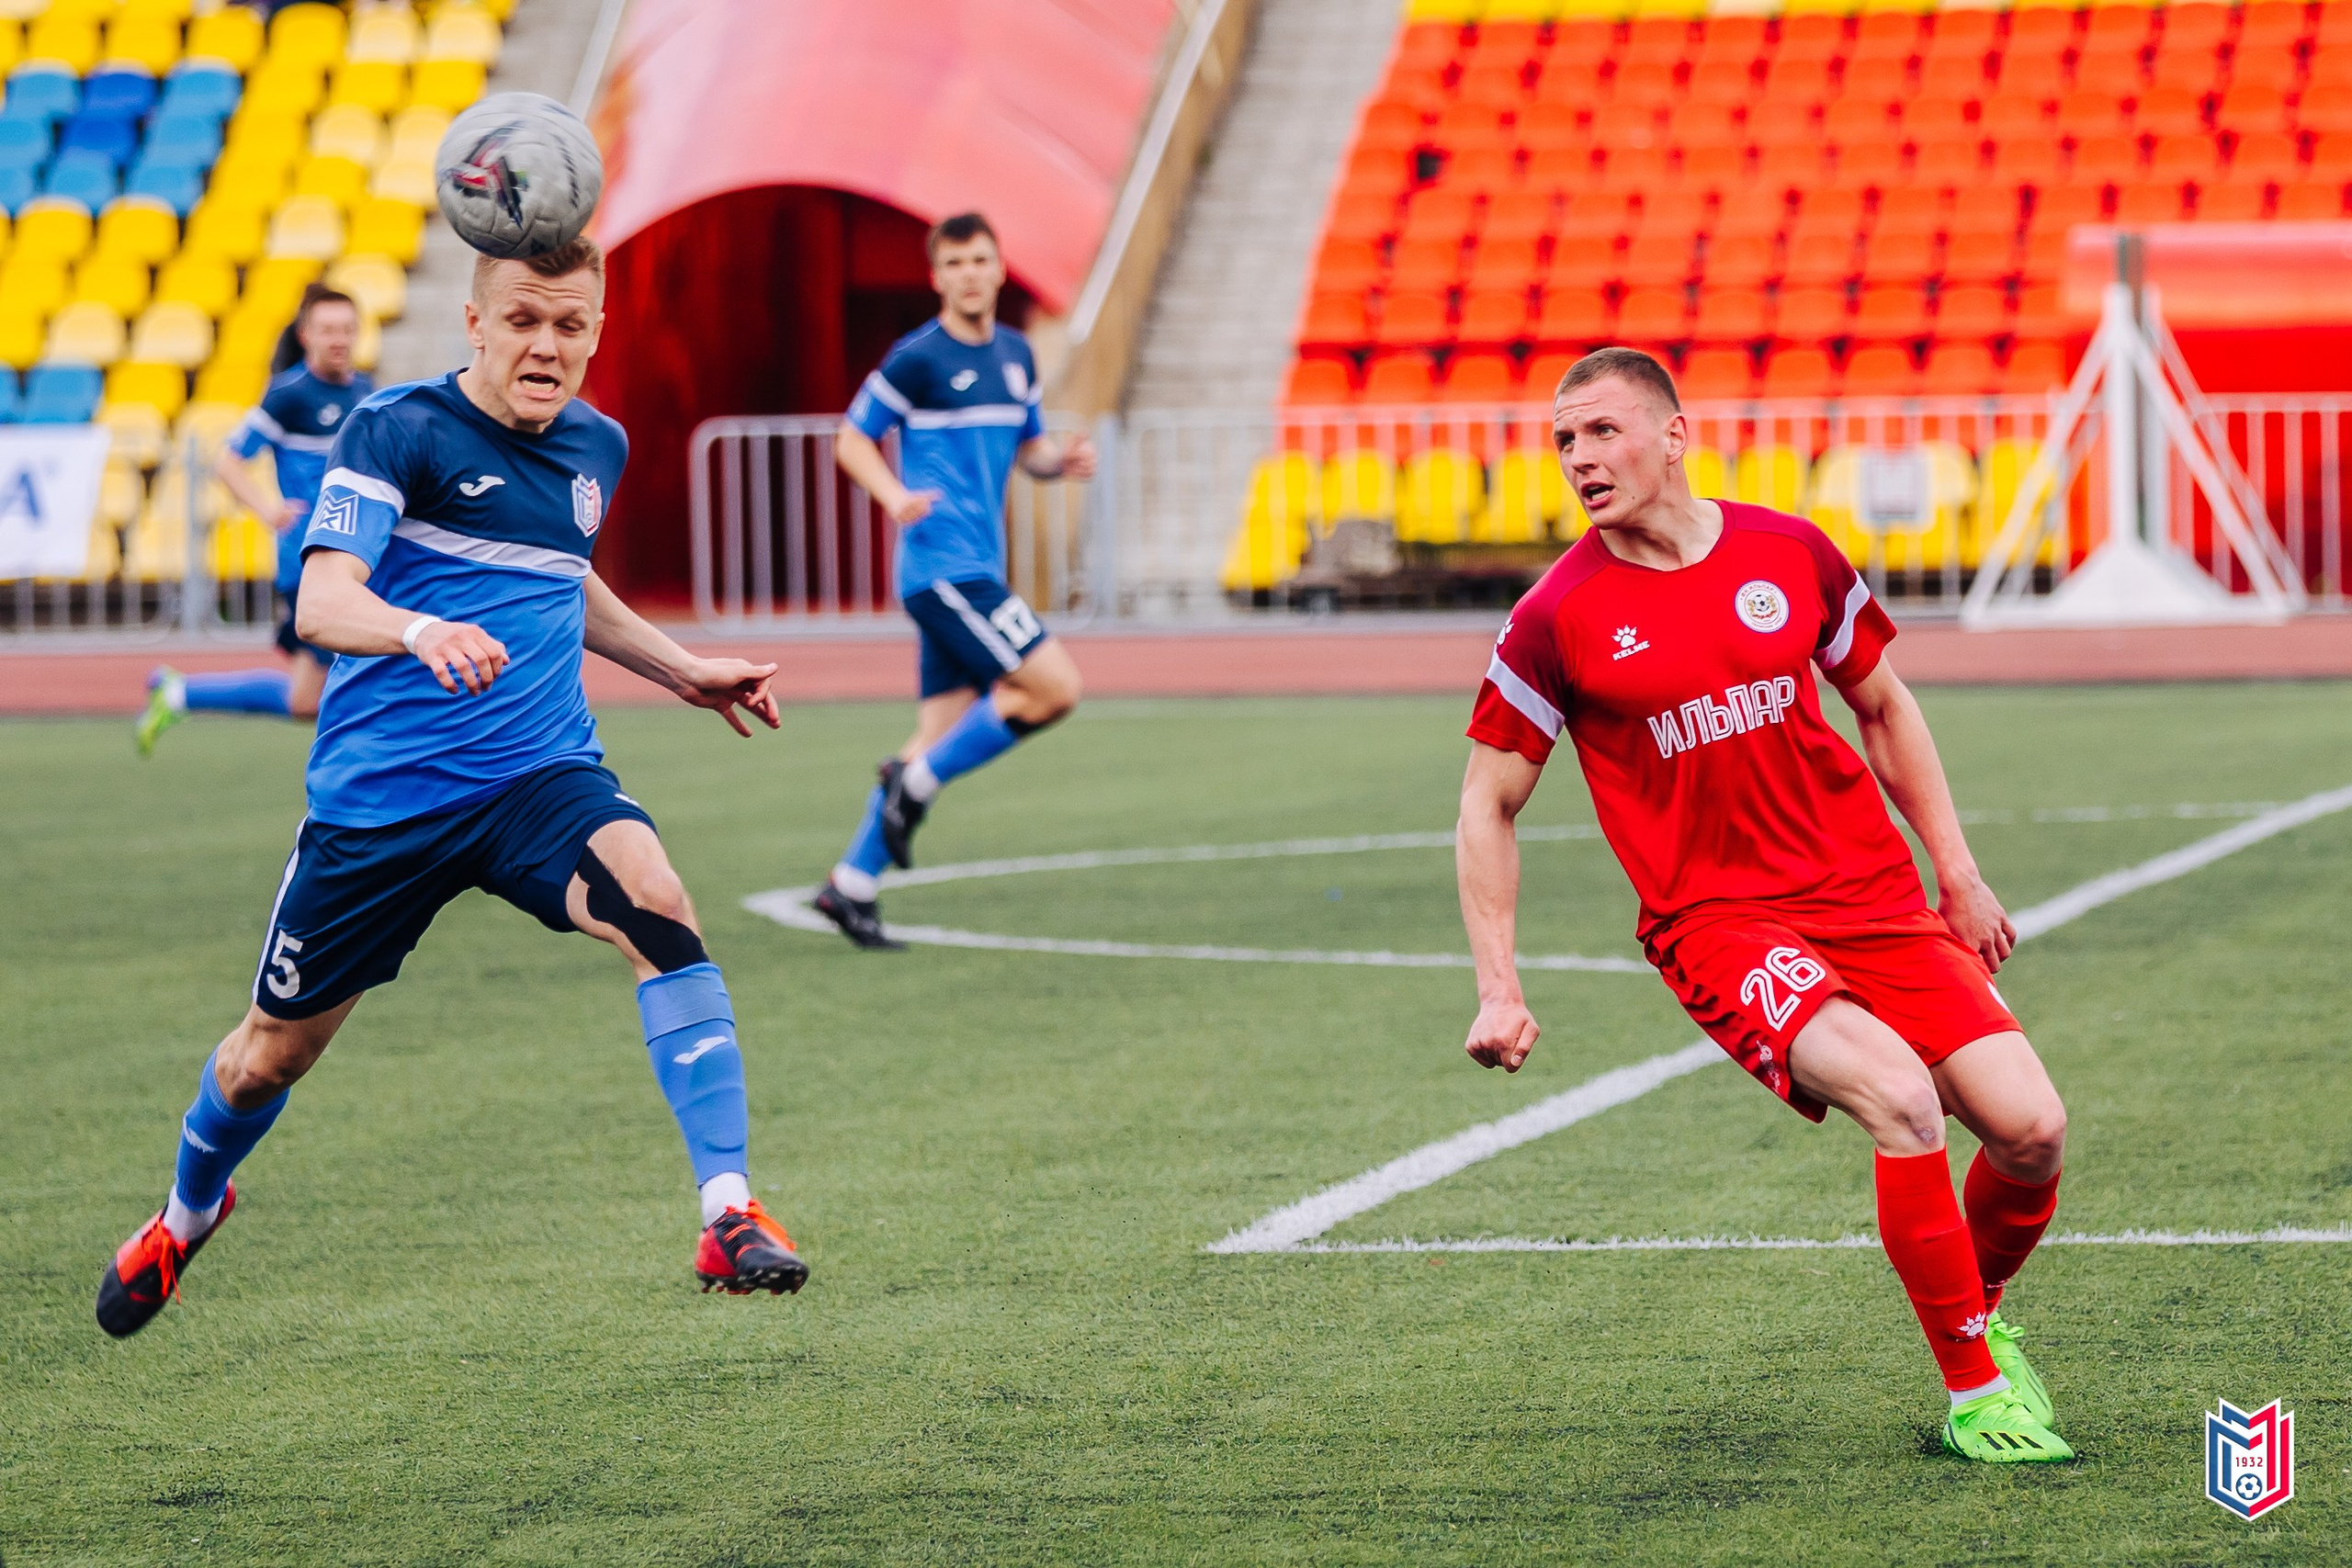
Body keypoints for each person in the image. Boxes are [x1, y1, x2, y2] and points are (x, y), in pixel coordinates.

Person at [98, 238, 811, 1338]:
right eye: (524, 320)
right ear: (475, 325)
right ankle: (188, 1212)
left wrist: (681, 668)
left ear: (596, 335)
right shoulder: (399, 429)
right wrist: (419, 628)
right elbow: (323, 604)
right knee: (262, 1060)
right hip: (381, 808)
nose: (547, 345)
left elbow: (567, 581)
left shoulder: (596, 448)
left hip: (535, 777)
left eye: (571, 325)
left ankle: (728, 1209)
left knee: (657, 900)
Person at [1455, 348, 2073, 1463]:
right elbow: (1484, 805)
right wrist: (1498, 986)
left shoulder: (1789, 552)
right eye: (1563, 442)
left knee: (2031, 1132)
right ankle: (1978, 1392)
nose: (1580, 460)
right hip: (1720, 923)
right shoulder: (1555, 617)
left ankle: (1967, 1309)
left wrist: (1958, 872)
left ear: (1674, 434)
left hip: (1870, 893)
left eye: (1601, 432)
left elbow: (1880, 707)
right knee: (1898, 1096)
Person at [811, 211, 1097, 948]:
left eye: (981, 260)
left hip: (977, 568)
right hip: (944, 570)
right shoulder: (917, 359)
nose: (970, 273)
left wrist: (1056, 462)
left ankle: (851, 883)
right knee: (1054, 686)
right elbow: (852, 438)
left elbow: (1028, 447)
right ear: (937, 276)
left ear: (1001, 268)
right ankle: (916, 786)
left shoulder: (1016, 355)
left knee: (935, 736)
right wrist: (892, 495)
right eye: (956, 263)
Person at [137, 287, 374, 753]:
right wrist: (270, 511)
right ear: (306, 335)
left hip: (354, 556)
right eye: (328, 330)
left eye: (347, 329)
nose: (340, 339)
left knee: (310, 698)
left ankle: (179, 693)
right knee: (353, 686)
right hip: (311, 563)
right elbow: (227, 461)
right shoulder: (289, 394)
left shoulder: (365, 390)